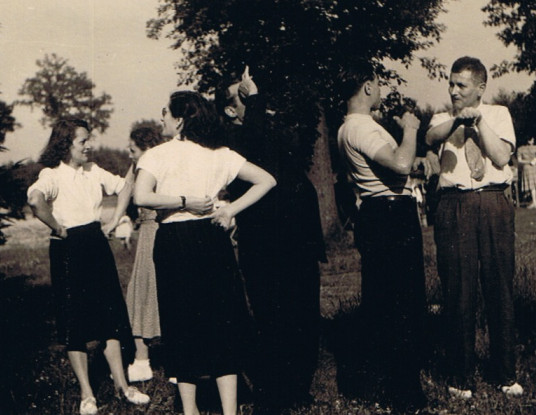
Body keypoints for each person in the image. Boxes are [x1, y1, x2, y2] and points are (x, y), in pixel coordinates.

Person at [133, 91, 276, 415]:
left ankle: (191, 410)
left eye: (165, 113)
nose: (161, 119)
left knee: (180, 323)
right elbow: (266, 180)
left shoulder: (157, 155)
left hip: (175, 240)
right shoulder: (219, 154)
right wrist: (229, 210)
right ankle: (228, 410)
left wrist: (186, 203)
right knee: (221, 321)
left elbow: (142, 195)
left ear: (181, 119)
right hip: (211, 239)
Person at [217, 67, 326, 414]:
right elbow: (254, 148)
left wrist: (262, 105)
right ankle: (275, 393)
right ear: (231, 110)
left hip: (297, 241)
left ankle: (298, 386)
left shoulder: (267, 130)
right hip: (265, 246)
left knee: (304, 315)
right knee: (274, 318)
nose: (254, 102)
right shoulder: (230, 143)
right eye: (243, 98)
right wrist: (258, 101)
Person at [27, 119, 150, 415]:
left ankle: (122, 387)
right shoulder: (51, 174)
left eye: (88, 140)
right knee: (74, 322)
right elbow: (35, 200)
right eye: (83, 141)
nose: (89, 146)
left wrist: (116, 216)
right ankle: (87, 394)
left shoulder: (94, 171)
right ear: (65, 143)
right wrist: (56, 227)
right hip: (68, 248)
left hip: (96, 243)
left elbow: (126, 186)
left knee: (110, 316)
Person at [425, 56, 523, 398]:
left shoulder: (499, 114)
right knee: (457, 290)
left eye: (460, 85)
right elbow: (429, 138)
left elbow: (499, 157)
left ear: (480, 87)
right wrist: (456, 122)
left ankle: (505, 374)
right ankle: (459, 377)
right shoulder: (442, 117)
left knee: (499, 286)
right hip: (454, 205)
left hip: (494, 201)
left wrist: (478, 121)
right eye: (450, 84)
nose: (453, 91)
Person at [336, 68, 430, 413]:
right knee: (401, 305)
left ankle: (389, 385)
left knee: (389, 303)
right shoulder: (361, 126)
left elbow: (396, 167)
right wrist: (410, 130)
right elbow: (401, 163)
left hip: (381, 214)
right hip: (390, 218)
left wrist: (418, 161)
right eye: (379, 83)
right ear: (368, 85)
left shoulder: (353, 127)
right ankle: (404, 394)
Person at [105, 126, 164, 383]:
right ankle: (142, 358)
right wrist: (115, 219)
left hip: (165, 231)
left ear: (146, 147)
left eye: (132, 150)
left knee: (161, 291)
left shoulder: (163, 161)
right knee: (142, 291)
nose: (130, 155)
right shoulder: (139, 166)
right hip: (149, 234)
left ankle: (171, 357)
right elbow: (127, 188)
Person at [517, 137, 536, 208]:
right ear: (528, 140)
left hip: (528, 167)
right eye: (531, 140)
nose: (533, 141)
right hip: (535, 165)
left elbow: (519, 160)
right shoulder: (535, 148)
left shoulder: (520, 149)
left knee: (532, 184)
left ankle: (535, 201)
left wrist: (528, 161)